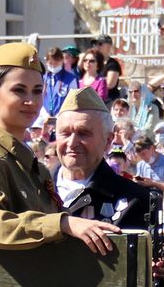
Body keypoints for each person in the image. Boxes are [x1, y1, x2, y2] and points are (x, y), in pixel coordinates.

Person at [0, 42, 124, 254]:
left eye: (37, 91)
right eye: (19, 90)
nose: (31, 101)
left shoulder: (34, 167)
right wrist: (62, 224)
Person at [51, 88, 151, 230]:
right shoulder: (33, 188)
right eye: (65, 133)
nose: (72, 143)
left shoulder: (133, 200)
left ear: (108, 140)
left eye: (83, 133)